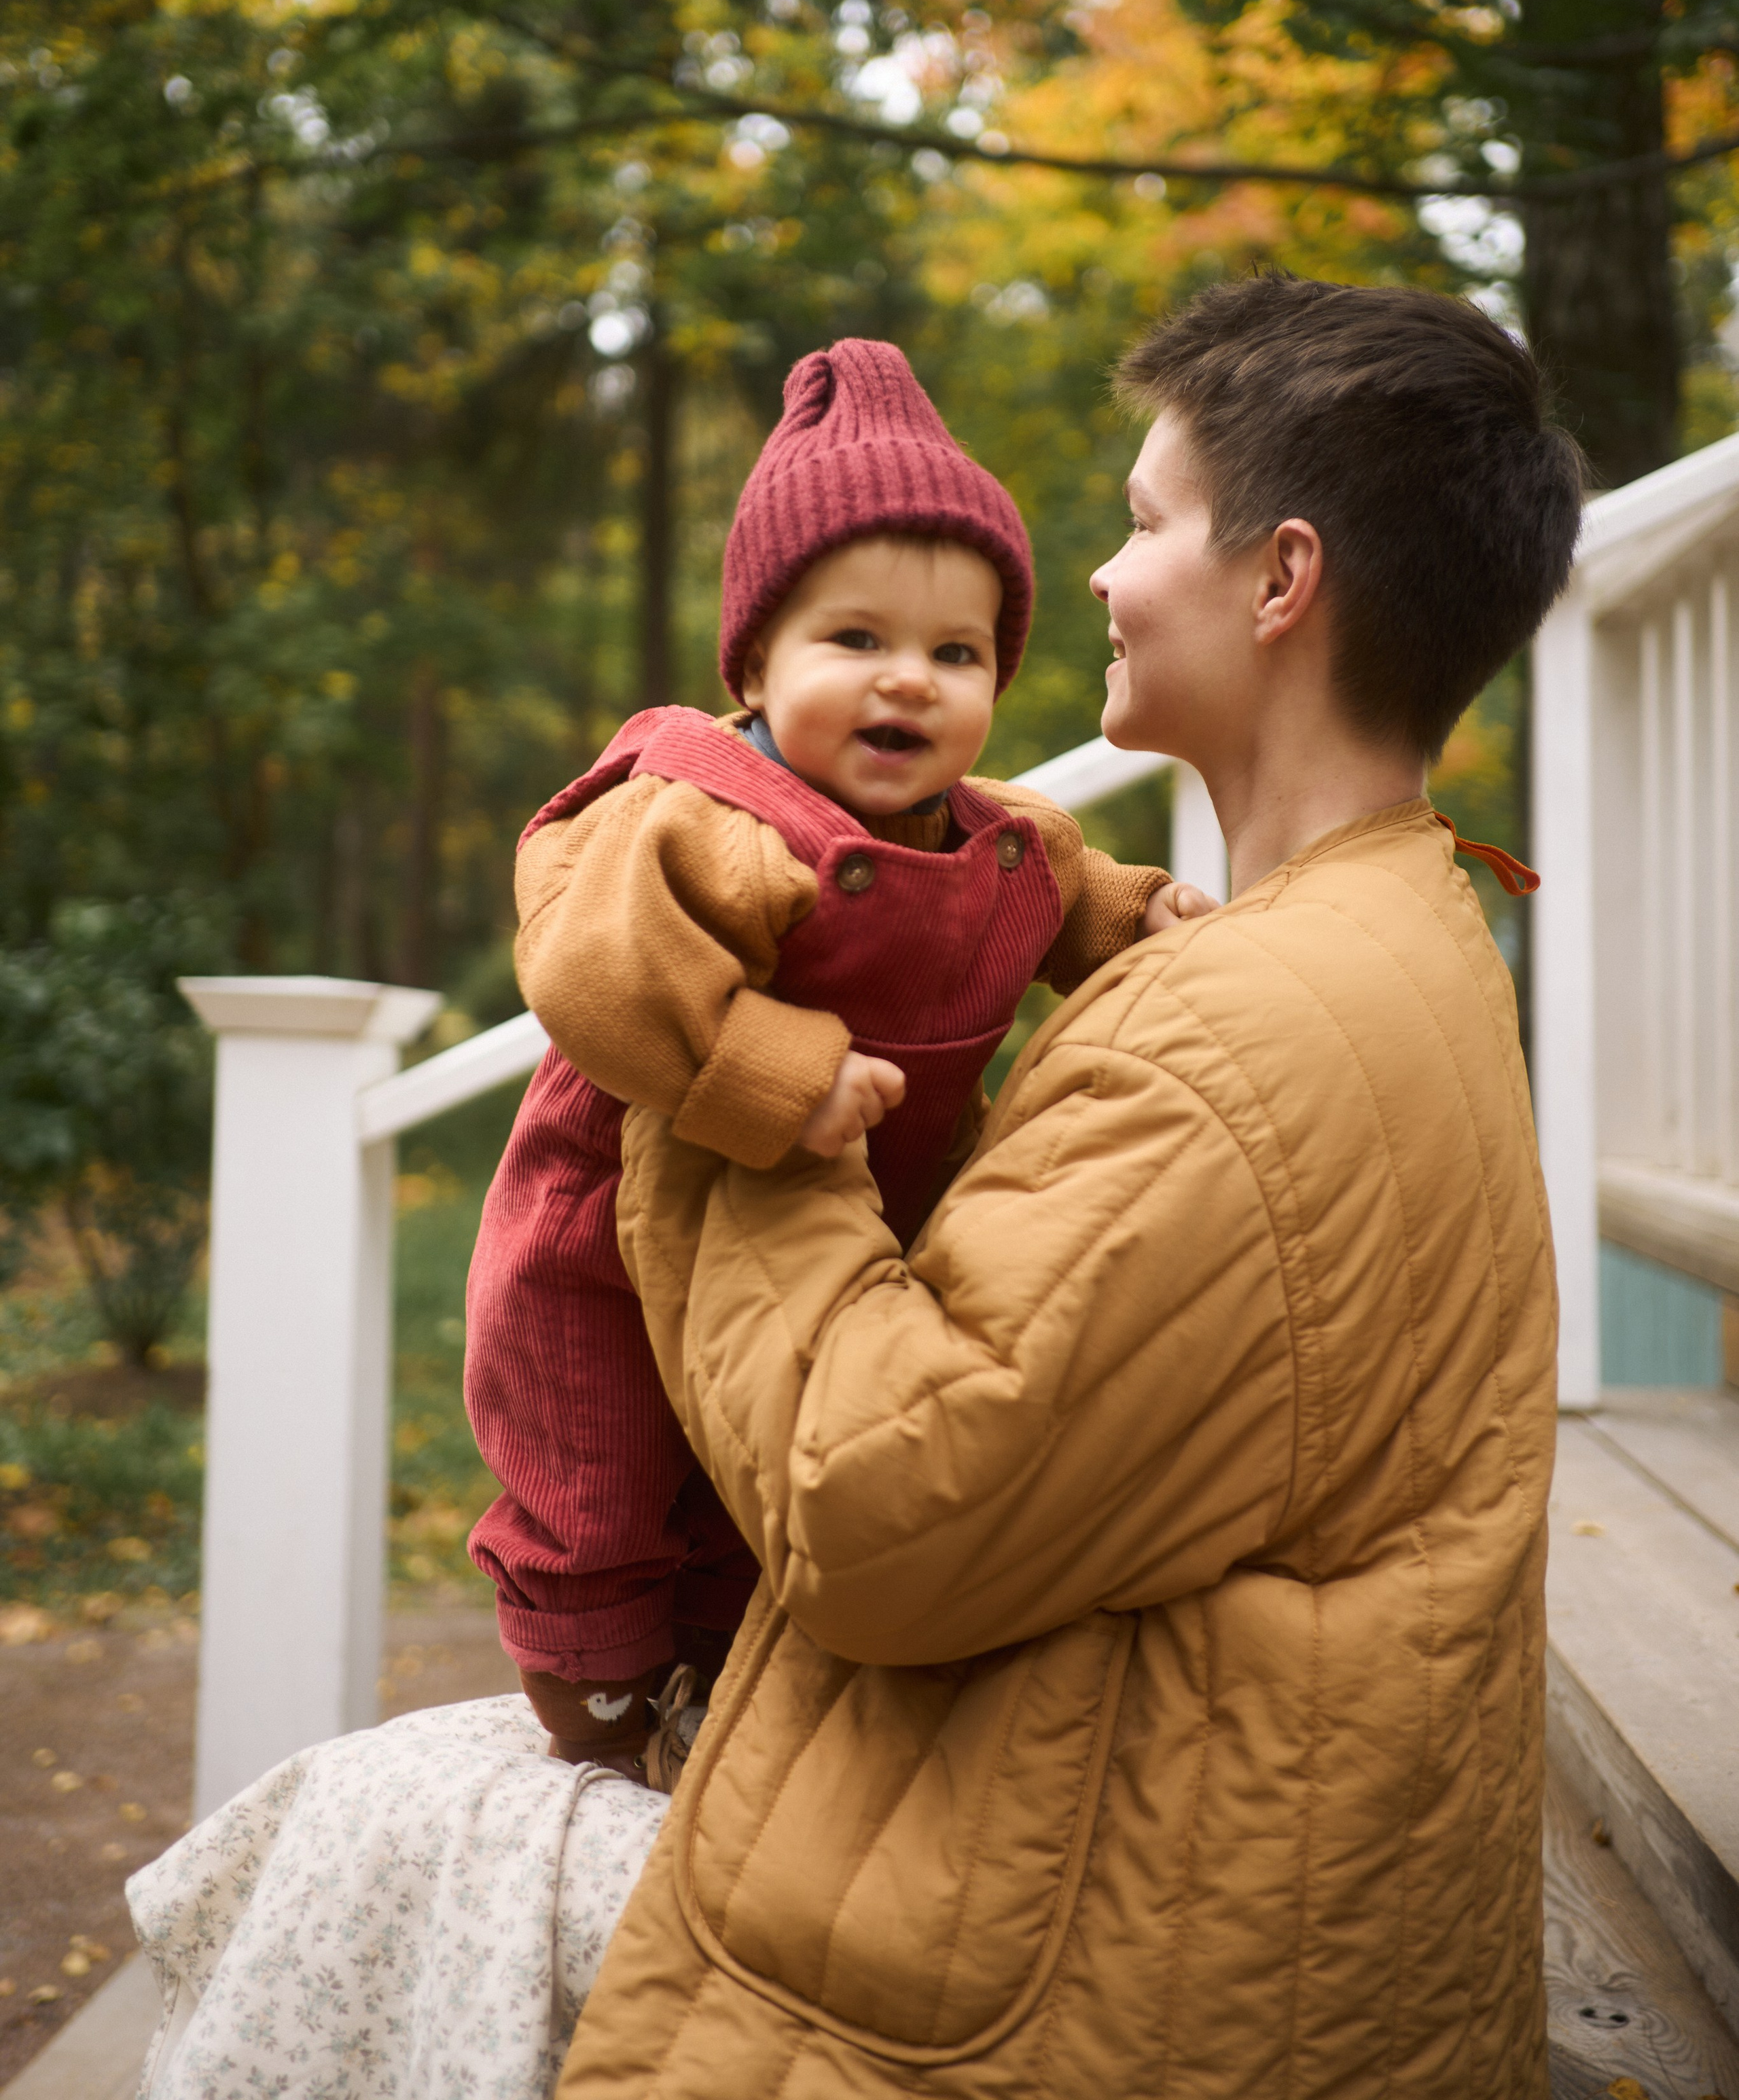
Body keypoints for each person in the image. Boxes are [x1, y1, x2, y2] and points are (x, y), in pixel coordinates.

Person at [552, 275, 1583, 2098]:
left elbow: (876, 1504)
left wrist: (746, 1086)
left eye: (1139, 522)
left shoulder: (1237, 1041)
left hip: (1107, 1975)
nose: (1097, 581)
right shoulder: (1391, 927)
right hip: (1219, 1885)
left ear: (1280, 583)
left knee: (351, 1833)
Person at [464, 337, 1201, 1784]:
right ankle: (595, 1687)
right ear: (752, 661)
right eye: (853, 641)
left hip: (832, 1233)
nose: (908, 684)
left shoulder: (999, 837)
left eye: (955, 653)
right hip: (609, 1225)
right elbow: (594, 969)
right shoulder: (710, 815)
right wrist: (767, 1067)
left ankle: (730, 1680)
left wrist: (1139, 915)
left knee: (769, 1468)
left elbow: (1067, 890)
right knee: (601, 1463)